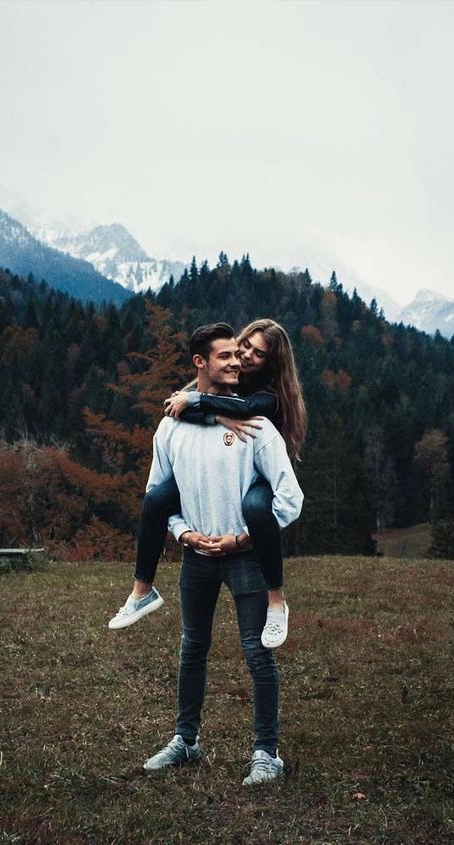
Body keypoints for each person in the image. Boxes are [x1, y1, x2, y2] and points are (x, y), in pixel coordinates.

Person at [138, 322, 303, 784]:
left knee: (257, 652)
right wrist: (183, 534)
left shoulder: (259, 416)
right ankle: (185, 741)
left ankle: (267, 754)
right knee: (193, 647)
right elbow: (159, 495)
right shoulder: (176, 423)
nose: (241, 359)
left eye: (250, 354)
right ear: (203, 363)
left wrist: (245, 539)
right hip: (197, 556)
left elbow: (290, 500)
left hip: (246, 553)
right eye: (234, 351)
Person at [108, 318, 307, 648]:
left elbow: (238, 407)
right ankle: (142, 590)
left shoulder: (268, 395)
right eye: (245, 345)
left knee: (255, 507)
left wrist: (207, 406)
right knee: (157, 498)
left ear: (270, 363)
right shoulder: (229, 375)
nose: (245, 356)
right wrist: (216, 414)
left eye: (258, 354)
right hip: (220, 473)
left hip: (255, 478)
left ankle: (276, 600)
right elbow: (182, 405)